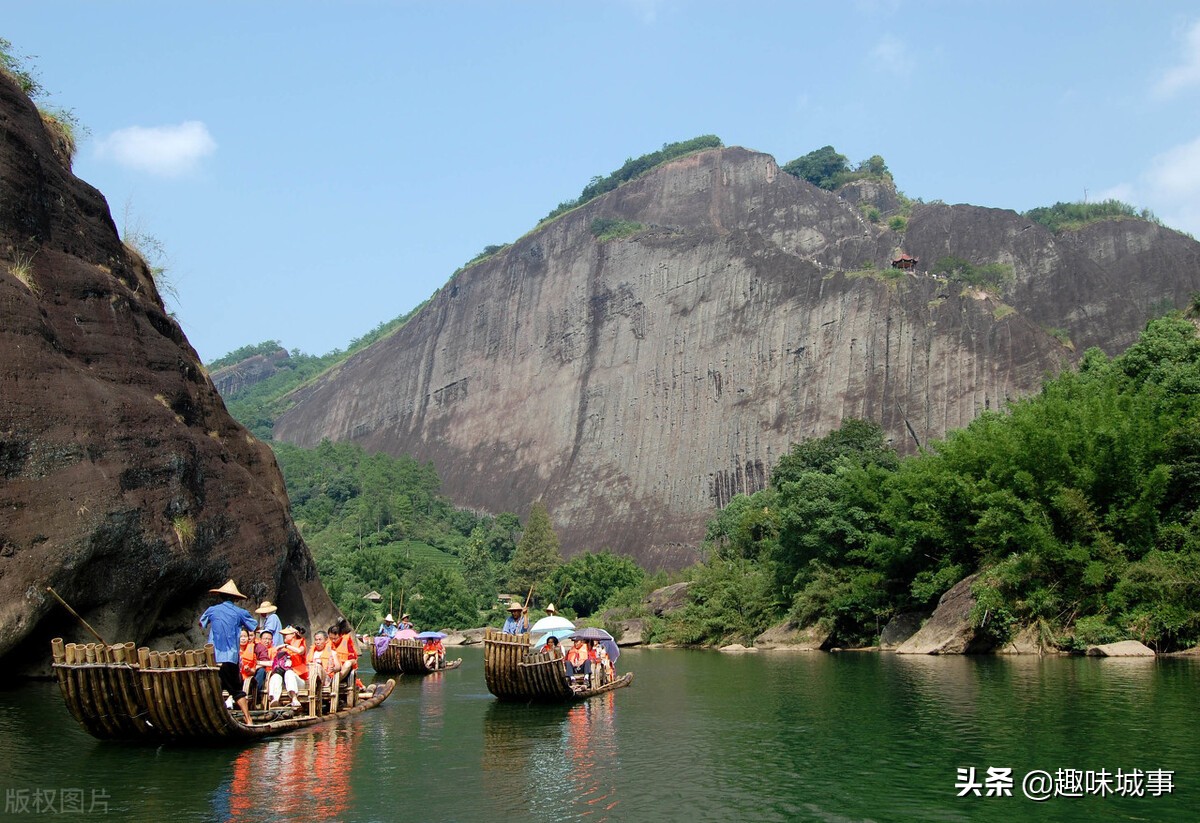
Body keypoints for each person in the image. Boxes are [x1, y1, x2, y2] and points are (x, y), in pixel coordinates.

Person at [198, 579, 257, 725]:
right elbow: (253, 626)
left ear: (221, 596)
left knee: (214, 687)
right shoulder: (240, 612)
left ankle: (214, 719)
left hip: (213, 658)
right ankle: (248, 719)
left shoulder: (212, 610)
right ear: (235, 599)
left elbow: (201, 623)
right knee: (236, 689)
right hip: (229, 657)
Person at [267, 625, 307, 709]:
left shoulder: (301, 644)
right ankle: (275, 699)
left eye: (286, 634)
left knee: (289, 673)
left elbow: (300, 651)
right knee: (276, 676)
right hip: (285, 682)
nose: (284, 636)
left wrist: (286, 646)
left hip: (299, 681)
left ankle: (294, 698)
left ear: (293, 634)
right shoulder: (283, 650)